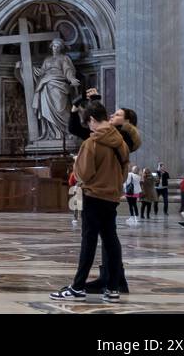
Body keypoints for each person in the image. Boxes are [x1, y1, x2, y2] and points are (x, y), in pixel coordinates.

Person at [51, 102, 129, 302]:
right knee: (111, 241)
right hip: (111, 196)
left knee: (89, 242)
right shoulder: (120, 141)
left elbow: (84, 174)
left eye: (89, 124)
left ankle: (77, 287)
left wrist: (77, 163)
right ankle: (112, 288)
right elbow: (124, 170)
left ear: (93, 120)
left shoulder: (92, 143)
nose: (89, 128)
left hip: (93, 196)